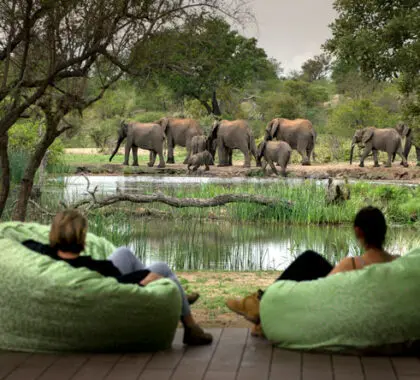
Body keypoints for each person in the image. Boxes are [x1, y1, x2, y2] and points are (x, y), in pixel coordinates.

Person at [22, 209, 212, 346]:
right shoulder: (97, 267)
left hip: (88, 271)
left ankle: (180, 298)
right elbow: (116, 288)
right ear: (82, 238)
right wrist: (142, 282)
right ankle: (190, 326)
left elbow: (26, 241)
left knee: (124, 252)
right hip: (117, 286)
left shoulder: (44, 252)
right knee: (162, 268)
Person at [226, 206, 399, 334]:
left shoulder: (352, 264)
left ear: (358, 232)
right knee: (312, 262)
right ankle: (262, 311)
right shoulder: (398, 262)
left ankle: (260, 303)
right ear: (384, 231)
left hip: (353, 313)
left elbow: (319, 292)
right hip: (380, 314)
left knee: (310, 260)